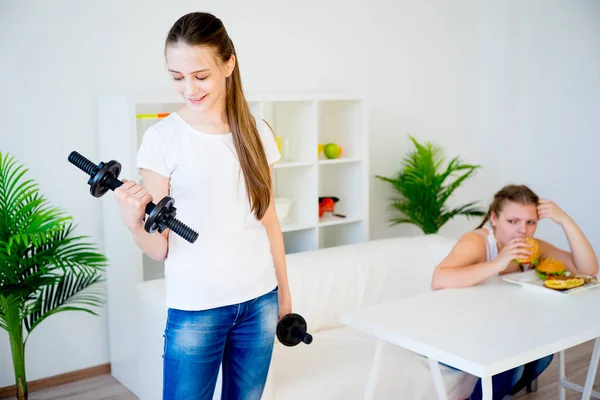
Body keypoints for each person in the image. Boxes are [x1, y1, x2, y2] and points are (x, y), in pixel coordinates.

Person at [112, 11, 292, 400]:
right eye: (177, 77)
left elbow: (269, 222)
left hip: (259, 300)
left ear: (228, 64)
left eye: (200, 75)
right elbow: (160, 247)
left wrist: (284, 297)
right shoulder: (162, 140)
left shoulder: (257, 132)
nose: (189, 89)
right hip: (196, 310)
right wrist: (132, 223)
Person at [431, 184, 598, 399]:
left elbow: (588, 268)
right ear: (494, 218)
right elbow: (439, 279)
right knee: (513, 363)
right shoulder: (477, 243)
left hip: (499, 328)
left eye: (531, 222)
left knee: (544, 356)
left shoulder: (532, 248)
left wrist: (565, 220)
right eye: (513, 221)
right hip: (457, 331)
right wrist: (498, 263)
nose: (523, 230)